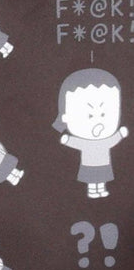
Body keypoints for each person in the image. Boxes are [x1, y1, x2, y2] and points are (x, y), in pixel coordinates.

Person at [53, 68, 127, 198]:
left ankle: (101, 189)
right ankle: (93, 190)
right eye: (90, 116)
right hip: (89, 164)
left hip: (104, 164)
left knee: (102, 177)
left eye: (103, 114)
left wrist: (120, 134)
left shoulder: (105, 141)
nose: (98, 121)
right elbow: (77, 143)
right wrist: (68, 140)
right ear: (65, 117)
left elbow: (113, 140)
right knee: (92, 178)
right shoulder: (85, 143)